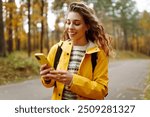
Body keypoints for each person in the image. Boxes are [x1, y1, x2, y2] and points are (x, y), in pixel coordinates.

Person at [40, 1, 112, 100]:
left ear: (87, 26)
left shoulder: (98, 54)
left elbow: (102, 90)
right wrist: (47, 78)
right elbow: (49, 84)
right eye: (68, 22)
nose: (70, 27)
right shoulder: (57, 49)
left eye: (76, 23)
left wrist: (73, 80)